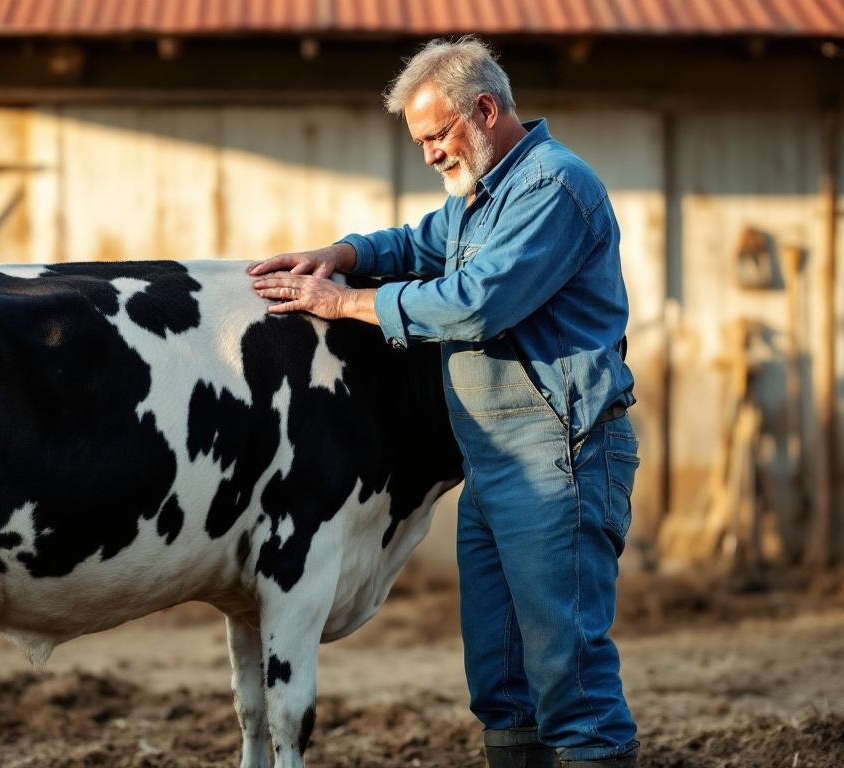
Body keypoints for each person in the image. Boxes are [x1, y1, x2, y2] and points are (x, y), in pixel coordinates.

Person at [248, 37, 640, 768]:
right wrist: (341, 254)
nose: (428, 155)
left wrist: (344, 302)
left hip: (560, 455)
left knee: (570, 677)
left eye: (435, 136)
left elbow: (476, 303)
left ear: (484, 111)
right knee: (499, 680)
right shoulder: (478, 200)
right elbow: (412, 243)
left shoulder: (555, 188)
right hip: (493, 462)